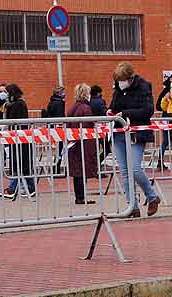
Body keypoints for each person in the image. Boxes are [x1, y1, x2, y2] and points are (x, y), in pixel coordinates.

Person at [108, 62, 161, 218]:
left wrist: (124, 113)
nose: (120, 83)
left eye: (122, 80)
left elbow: (148, 110)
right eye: (118, 81)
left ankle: (152, 197)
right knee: (124, 172)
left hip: (136, 133)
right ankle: (132, 206)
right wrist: (110, 111)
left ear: (130, 78)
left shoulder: (144, 86)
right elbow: (114, 105)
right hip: (118, 133)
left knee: (135, 168)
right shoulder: (118, 88)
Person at [65, 82, 100, 205]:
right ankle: (81, 197)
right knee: (82, 170)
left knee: (77, 172)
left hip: (73, 143)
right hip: (83, 144)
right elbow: (87, 127)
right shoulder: (86, 108)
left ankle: (79, 196)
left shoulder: (72, 108)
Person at [2, 83, 36, 199]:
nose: (4, 95)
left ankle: (15, 188)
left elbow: (15, 121)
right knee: (19, 163)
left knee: (20, 163)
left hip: (20, 138)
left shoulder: (18, 105)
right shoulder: (12, 104)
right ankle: (21, 188)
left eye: (6, 92)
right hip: (15, 138)